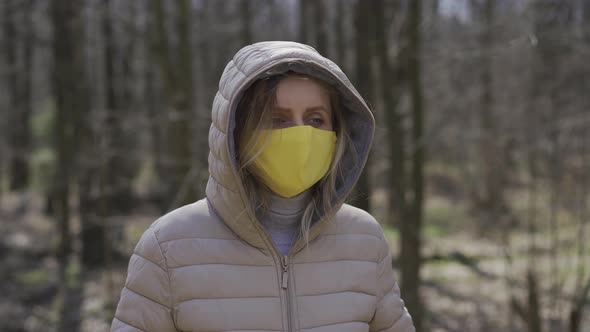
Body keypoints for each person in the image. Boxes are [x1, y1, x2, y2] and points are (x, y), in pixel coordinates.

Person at [112, 41, 415, 332]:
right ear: (235, 132)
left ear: (337, 131)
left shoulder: (364, 239)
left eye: (315, 119)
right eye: (276, 119)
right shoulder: (168, 247)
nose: (300, 134)